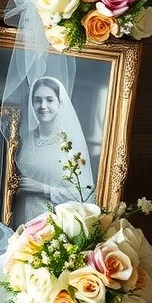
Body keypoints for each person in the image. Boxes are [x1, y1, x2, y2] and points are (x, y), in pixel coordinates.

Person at [13, 75, 94, 227]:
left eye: (49, 100)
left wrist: (44, 189)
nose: (43, 105)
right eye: (38, 100)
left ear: (59, 103)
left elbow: (85, 195)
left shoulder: (70, 145)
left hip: (51, 223)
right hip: (19, 217)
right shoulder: (23, 140)